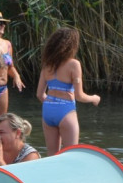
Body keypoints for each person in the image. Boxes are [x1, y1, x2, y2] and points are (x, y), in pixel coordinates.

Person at [35, 27, 100, 155]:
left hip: (48, 109)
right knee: (71, 156)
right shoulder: (73, 64)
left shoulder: (47, 65)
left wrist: (52, 105)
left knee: (52, 156)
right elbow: (79, 96)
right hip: (65, 110)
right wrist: (94, 98)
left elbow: (39, 94)